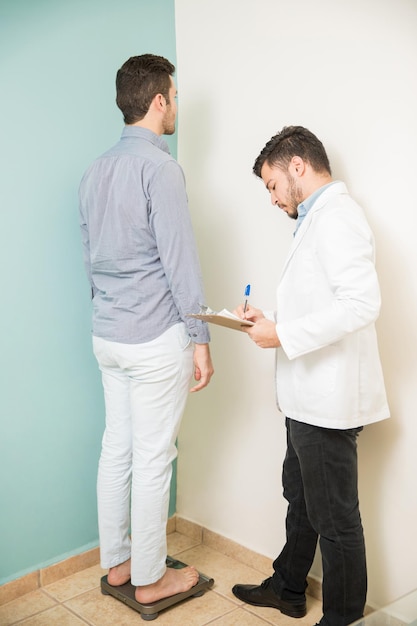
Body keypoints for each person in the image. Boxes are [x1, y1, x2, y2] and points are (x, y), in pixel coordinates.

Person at [231, 126, 389, 626]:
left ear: (297, 166)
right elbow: (317, 305)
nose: (273, 199)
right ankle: (289, 587)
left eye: (272, 185)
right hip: (304, 397)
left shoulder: (338, 217)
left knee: (336, 519)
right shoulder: (314, 221)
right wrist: (267, 323)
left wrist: (283, 335)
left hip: (328, 401)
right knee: (301, 500)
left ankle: (341, 619)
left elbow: (362, 304)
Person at [79, 54, 214, 604]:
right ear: (159, 101)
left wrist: (108, 311)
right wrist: (201, 339)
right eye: (175, 97)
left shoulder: (94, 171)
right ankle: (151, 577)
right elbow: (180, 261)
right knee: (153, 457)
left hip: (107, 335)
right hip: (154, 338)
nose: (176, 105)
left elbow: (90, 261)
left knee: (117, 450)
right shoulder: (159, 168)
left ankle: (117, 564)